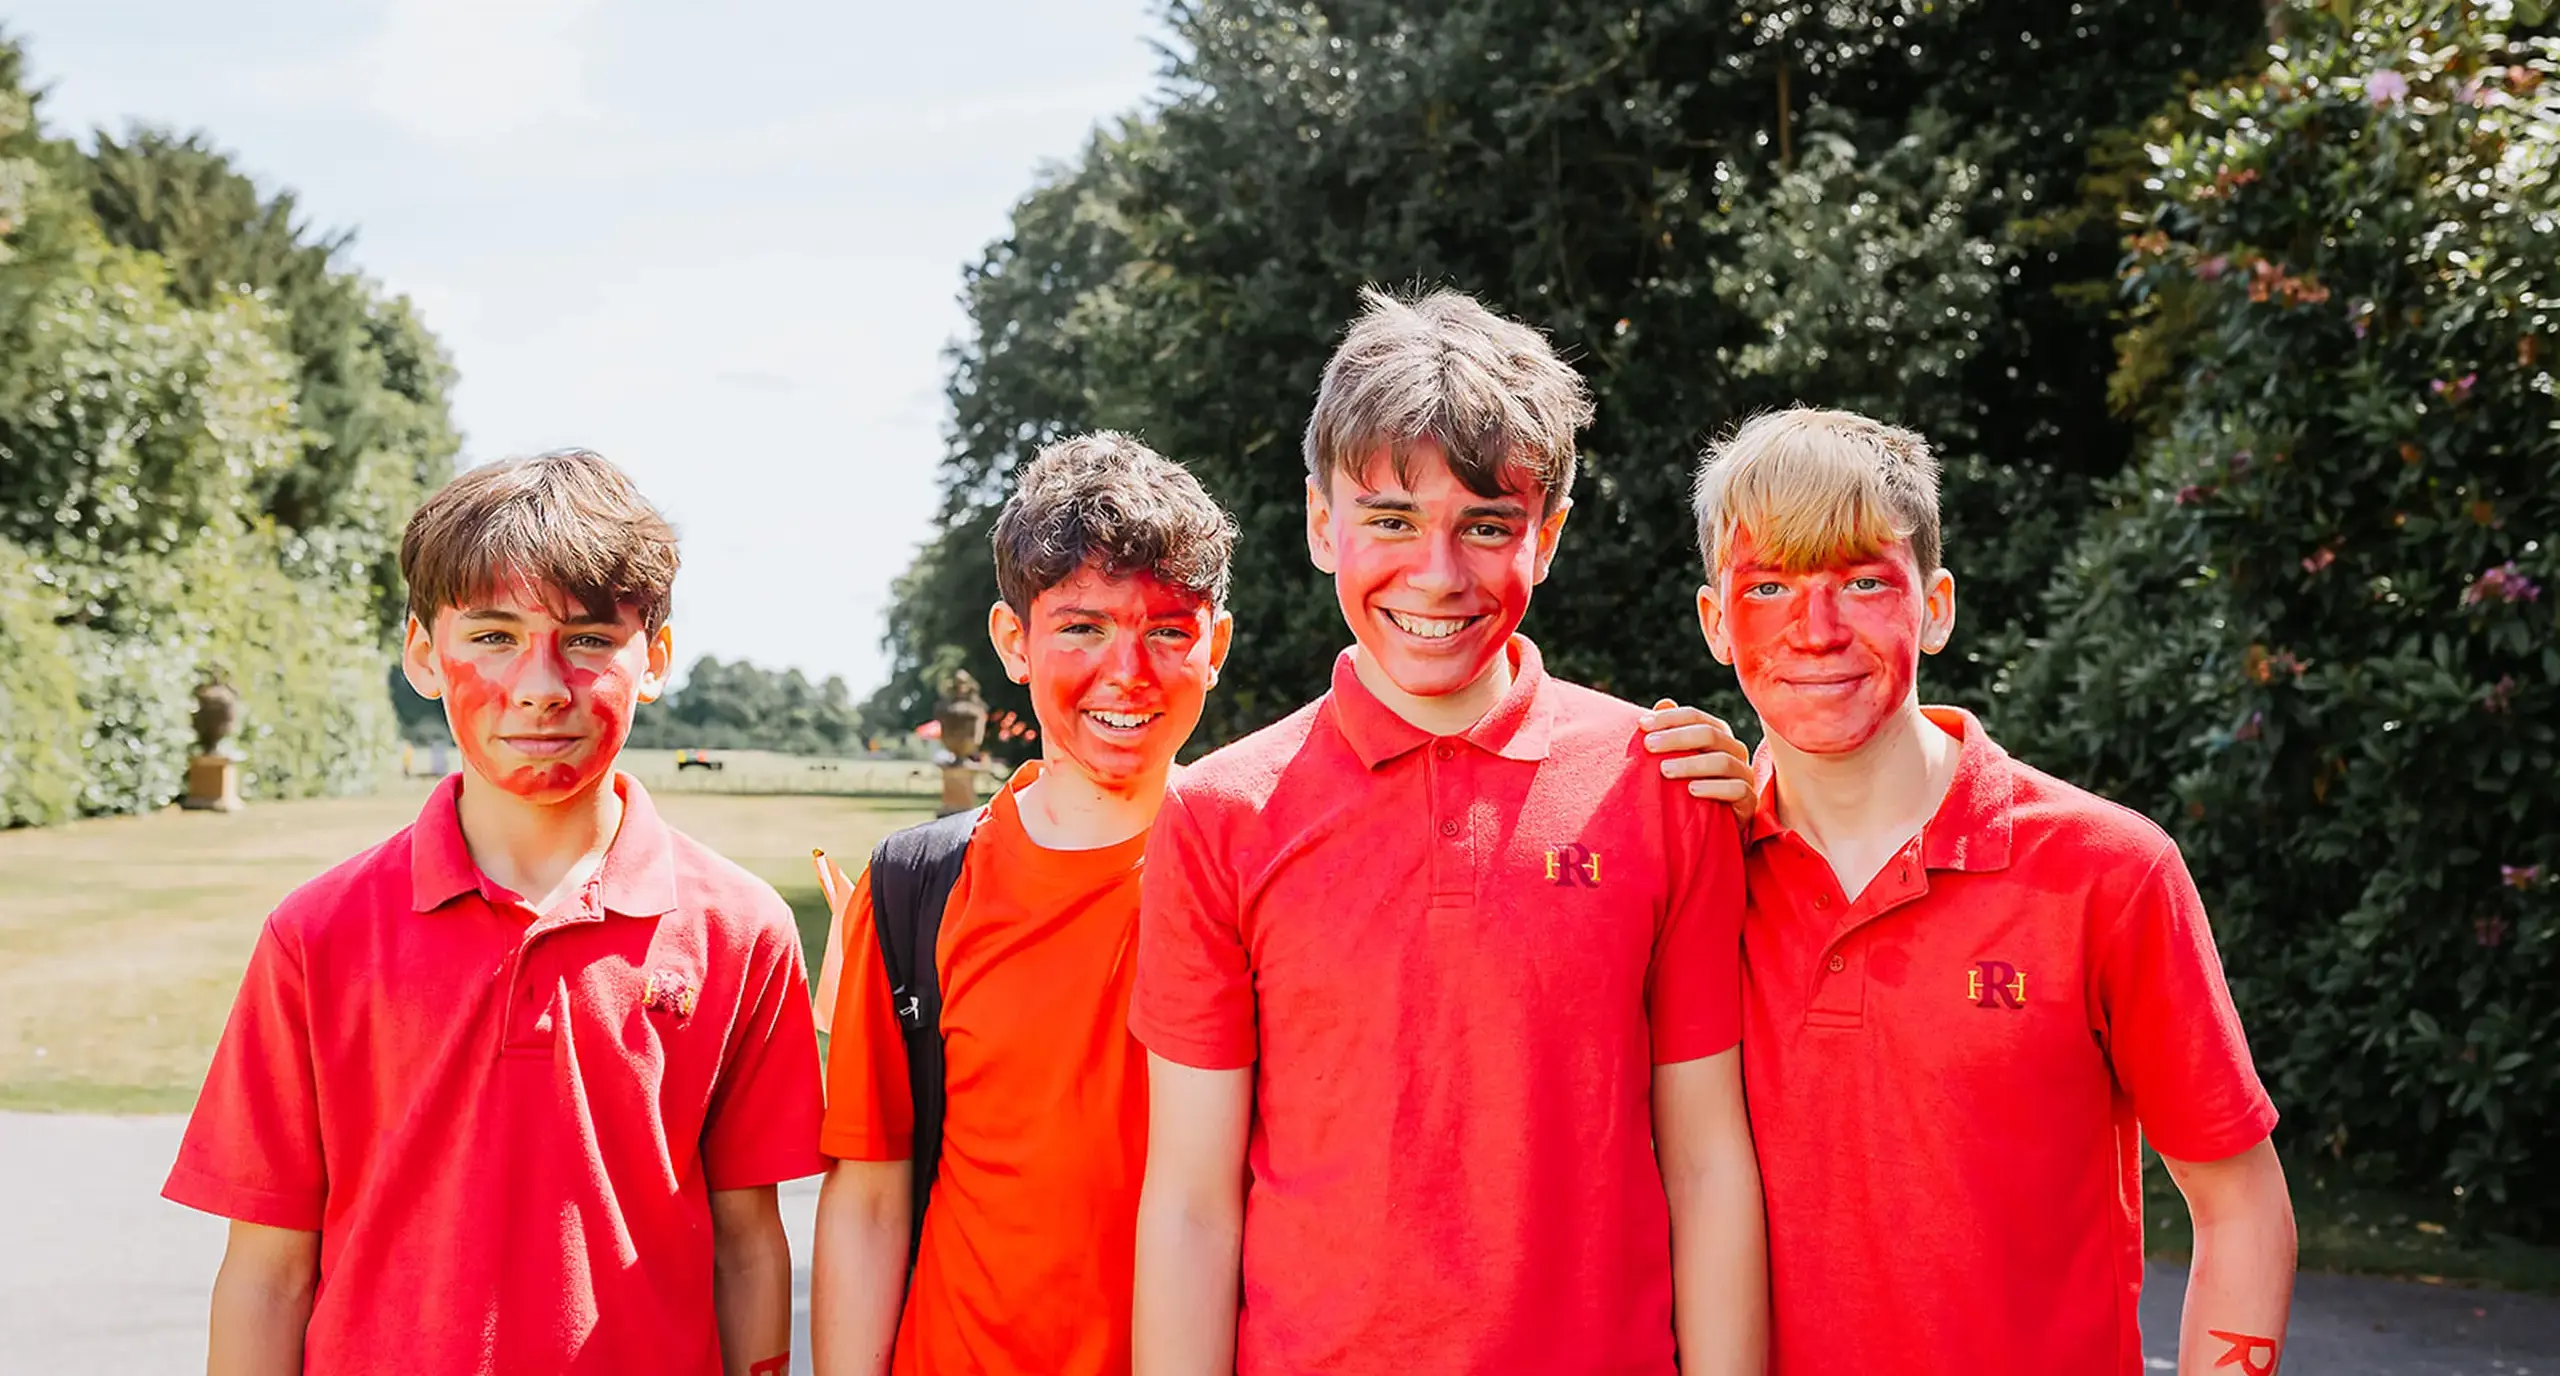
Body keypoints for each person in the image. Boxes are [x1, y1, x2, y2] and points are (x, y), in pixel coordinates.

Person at [1129, 287, 1768, 1376]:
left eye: (1486, 525)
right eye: (1390, 519)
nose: (1437, 573)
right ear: (1321, 524)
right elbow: (1191, 1202)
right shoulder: (1218, 812)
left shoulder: (1663, 786)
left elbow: (1707, 1162)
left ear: (1547, 537)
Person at [164, 449, 824, 1376]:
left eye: (587, 639)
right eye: (493, 635)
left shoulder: (740, 930)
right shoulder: (317, 935)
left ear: (655, 660)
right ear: (422, 654)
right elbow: (268, 1274)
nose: (541, 684)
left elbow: (747, 1245)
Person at [1670, 407, 2297, 1375]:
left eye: (1863, 580)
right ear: (1717, 621)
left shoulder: (2107, 869)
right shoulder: (1688, 868)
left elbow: (2240, 1205)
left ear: (1935, 606)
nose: (1816, 630)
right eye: (1770, 586)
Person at [807, 432, 1237, 1376]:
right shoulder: (916, 887)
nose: (1127, 671)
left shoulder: (1257, 876)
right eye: (1082, 627)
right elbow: (869, 1199)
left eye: (1168, 630)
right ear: (1014, 641)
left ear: (1215, 646)